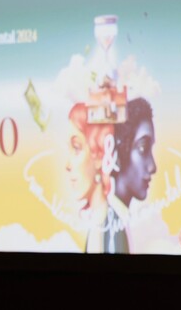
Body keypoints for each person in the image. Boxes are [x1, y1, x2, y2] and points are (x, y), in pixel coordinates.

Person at [107, 96, 158, 252]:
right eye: (143, 148)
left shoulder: (118, 220)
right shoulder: (110, 225)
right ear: (118, 151)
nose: (153, 167)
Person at [66, 102, 115, 253]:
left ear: (99, 155)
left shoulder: (110, 224)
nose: (67, 165)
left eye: (76, 148)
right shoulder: (99, 220)